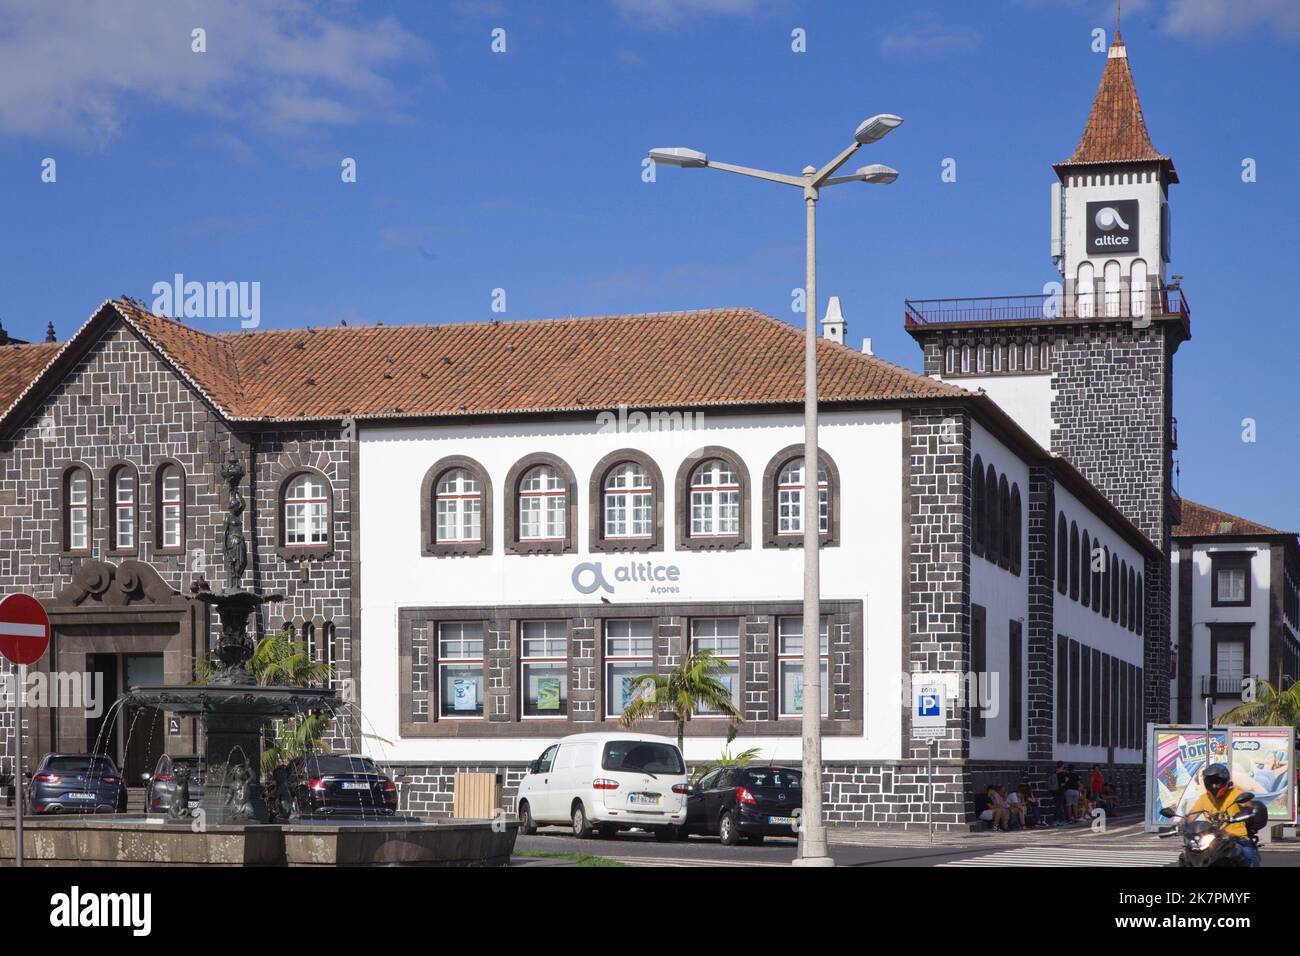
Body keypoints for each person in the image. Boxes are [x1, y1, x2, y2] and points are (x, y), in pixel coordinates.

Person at [1187, 763, 1261, 867]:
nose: (1214, 786)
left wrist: (1248, 810)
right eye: (1211, 783)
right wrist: (1181, 824)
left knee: (1248, 854)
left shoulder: (1235, 794)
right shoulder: (1204, 798)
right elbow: (1191, 816)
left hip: (1237, 838)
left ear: (1224, 782)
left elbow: (1249, 807)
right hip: (1213, 839)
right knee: (1190, 856)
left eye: (1217, 783)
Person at [1047, 761, 1065, 826]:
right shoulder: (1062, 773)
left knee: (1057, 805)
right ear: (1062, 766)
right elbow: (1063, 784)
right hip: (1060, 791)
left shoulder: (1054, 773)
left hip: (1054, 791)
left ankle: (1057, 820)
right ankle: (1057, 820)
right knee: (1059, 806)